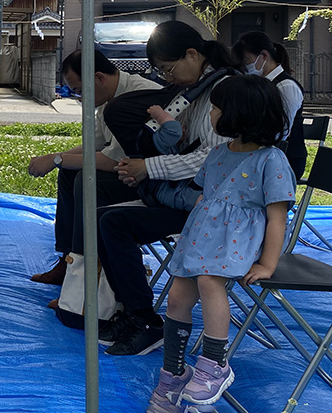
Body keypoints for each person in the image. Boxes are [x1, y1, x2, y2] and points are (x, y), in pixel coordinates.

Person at [146, 74, 295, 412]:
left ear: (239, 114)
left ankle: (215, 364)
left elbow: (277, 218)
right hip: (203, 237)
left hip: (238, 242)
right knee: (176, 298)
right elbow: (206, 199)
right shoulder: (217, 153)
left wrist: (267, 264)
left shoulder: (271, 160)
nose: (211, 114)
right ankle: (174, 372)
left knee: (209, 281)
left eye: (216, 108)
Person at [98, 20, 240, 355]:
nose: (167, 78)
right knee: (104, 219)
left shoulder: (224, 90)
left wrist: (149, 167)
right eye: (161, 71)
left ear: (192, 55)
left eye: (168, 68)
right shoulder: (202, 89)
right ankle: (136, 313)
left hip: (215, 209)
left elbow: (214, 157)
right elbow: (191, 145)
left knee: (112, 223)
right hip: (197, 198)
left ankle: (145, 320)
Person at [27, 49, 159, 286]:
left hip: (154, 181)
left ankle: (82, 272)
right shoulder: (108, 98)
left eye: (79, 91)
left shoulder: (138, 95)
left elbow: (111, 161)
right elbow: (94, 145)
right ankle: (68, 259)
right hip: (130, 174)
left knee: (87, 181)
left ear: (99, 78)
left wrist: (56, 159)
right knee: (71, 172)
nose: (80, 98)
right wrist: (55, 157)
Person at [232, 31, 306, 180]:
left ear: (264, 56)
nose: (245, 67)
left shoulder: (286, 86)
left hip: (285, 158)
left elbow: (281, 132)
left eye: (247, 61)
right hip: (260, 152)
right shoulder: (259, 84)